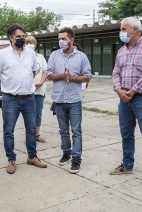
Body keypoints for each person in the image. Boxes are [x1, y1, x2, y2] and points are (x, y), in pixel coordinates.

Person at [110, 17, 142, 187]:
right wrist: (118, 90)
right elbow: (116, 72)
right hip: (123, 98)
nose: (121, 32)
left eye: (124, 29)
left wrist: (132, 91)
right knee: (126, 134)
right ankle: (127, 165)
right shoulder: (121, 51)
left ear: (135, 30)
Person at [0, 24, 48, 174]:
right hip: (10, 99)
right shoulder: (2, 55)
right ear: (10, 38)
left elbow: (33, 71)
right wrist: (2, 90)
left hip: (29, 98)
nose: (22, 39)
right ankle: (11, 159)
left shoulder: (30, 54)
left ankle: (32, 157)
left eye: (23, 36)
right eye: (18, 37)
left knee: (31, 129)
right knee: (8, 130)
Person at [47, 27, 92, 174]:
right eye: (59, 39)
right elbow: (49, 74)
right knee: (63, 130)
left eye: (63, 39)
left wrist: (72, 78)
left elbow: (87, 76)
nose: (60, 41)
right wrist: (62, 75)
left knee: (76, 131)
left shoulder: (81, 57)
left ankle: (76, 158)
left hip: (74, 100)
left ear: (71, 40)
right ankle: (66, 152)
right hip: (59, 99)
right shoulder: (54, 55)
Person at [25, 36, 47, 143]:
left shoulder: (40, 57)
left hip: (39, 90)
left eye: (32, 42)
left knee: (38, 113)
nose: (30, 44)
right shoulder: (23, 56)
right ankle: (30, 135)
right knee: (29, 114)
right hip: (28, 91)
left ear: (35, 44)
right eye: (27, 42)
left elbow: (44, 71)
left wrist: (41, 82)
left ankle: (37, 134)